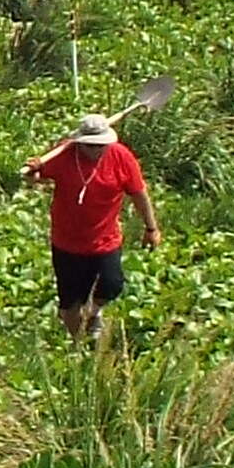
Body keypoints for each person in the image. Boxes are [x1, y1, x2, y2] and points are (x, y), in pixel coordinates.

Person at [30, 111, 158, 338]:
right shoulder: (64, 155)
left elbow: (139, 194)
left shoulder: (121, 157)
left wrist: (151, 228)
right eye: (91, 145)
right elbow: (37, 177)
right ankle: (76, 344)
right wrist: (33, 171)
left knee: (112, 284)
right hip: (67, 242)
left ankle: (94, 313)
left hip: (105, 240)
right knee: (70, 303)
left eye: (101, 145)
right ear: (80, 143)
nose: (97, 150)